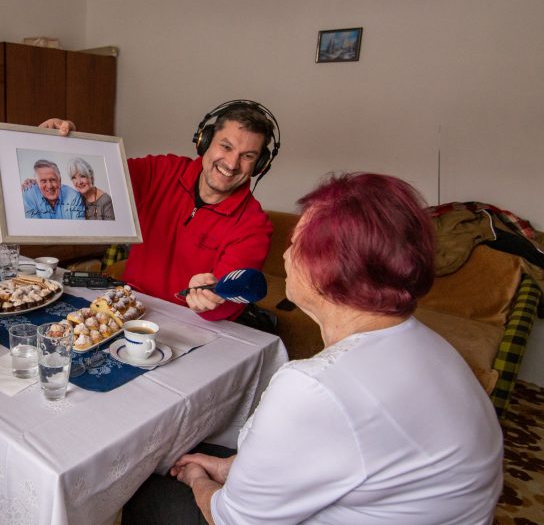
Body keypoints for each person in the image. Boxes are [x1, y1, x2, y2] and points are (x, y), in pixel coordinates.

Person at [123, 173, 503, 524]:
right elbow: (333, 449)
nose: (286, 256)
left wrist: (196, 480)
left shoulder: (313, 386)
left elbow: (233, 519)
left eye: (295, 244)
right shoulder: (431, 345)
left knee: (141, 489)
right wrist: (228, 469)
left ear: (328, 270)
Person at [42, 100, 277, 321]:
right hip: (129, 309)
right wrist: (67, 144)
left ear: (259, 165)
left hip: (193, 327)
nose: (232, 163)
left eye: (247, 156)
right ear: (204, 141)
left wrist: (211, 301)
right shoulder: (162, 169)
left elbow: (228, 302)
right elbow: (105, 173)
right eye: (226, 146)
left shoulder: (254, 225)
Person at [68, 156, 115, 220]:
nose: (79, 182)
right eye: (74, 177)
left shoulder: (105, 200)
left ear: (91, 176)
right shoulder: (75, 199)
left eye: (82, 176)